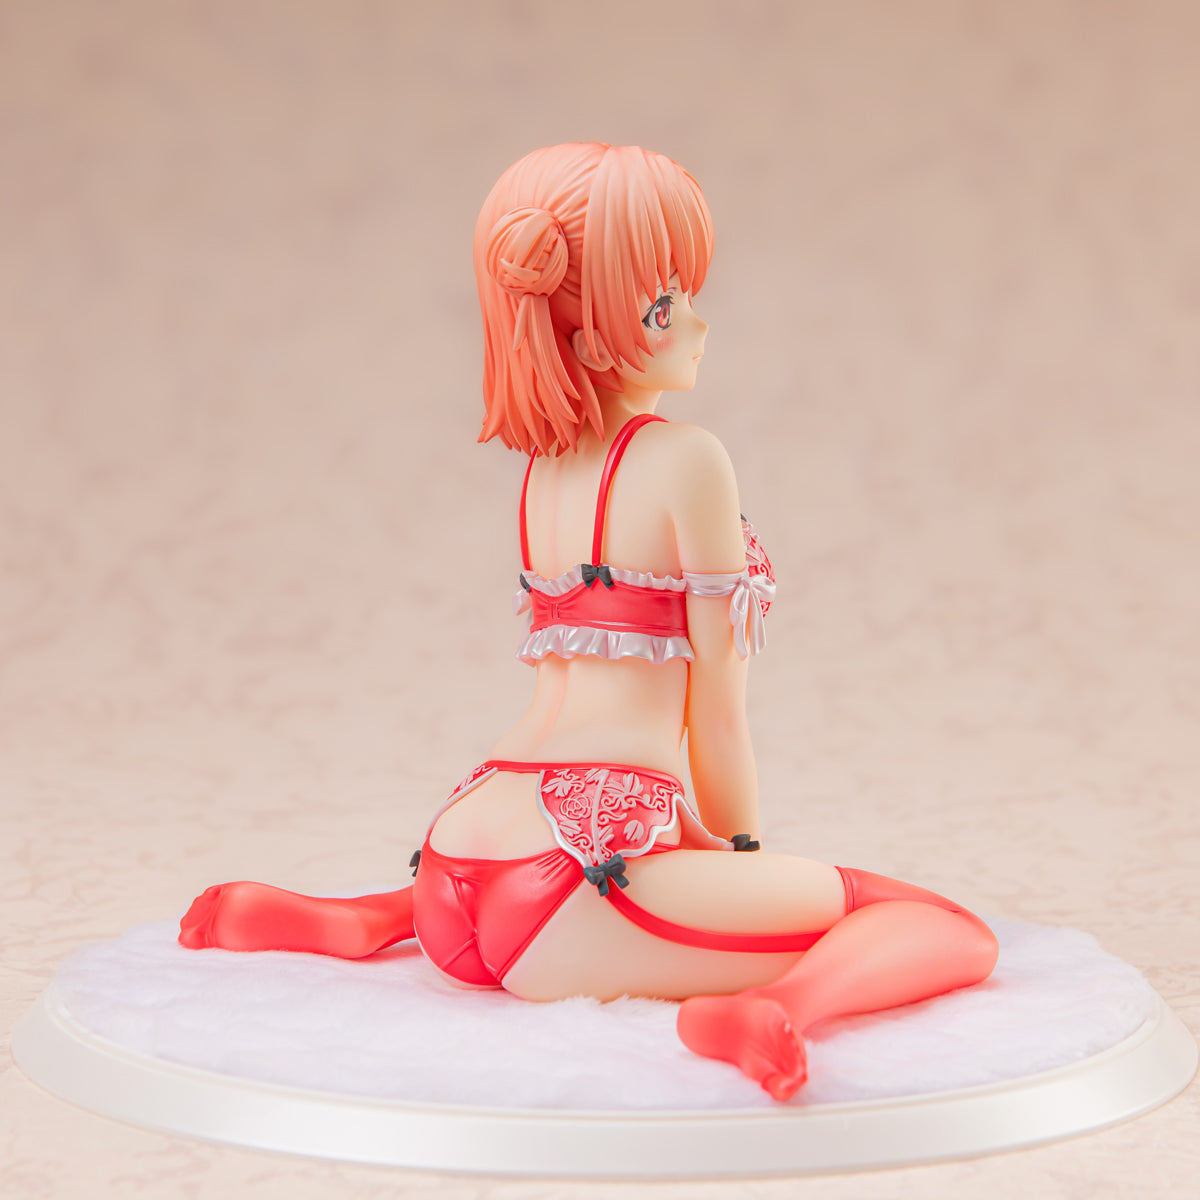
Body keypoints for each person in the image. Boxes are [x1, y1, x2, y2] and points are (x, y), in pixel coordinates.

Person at [179, 143, 998, 1101]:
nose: (698, 322)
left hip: (457, 858)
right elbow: (717, 716)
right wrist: (742, 863)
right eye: (664, 306)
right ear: (600, 341)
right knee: (944, 927)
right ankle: (772, 1008)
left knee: (562, 866)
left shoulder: (544, 470)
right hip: (576, 884)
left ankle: (365, 920)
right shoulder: (689, 460)